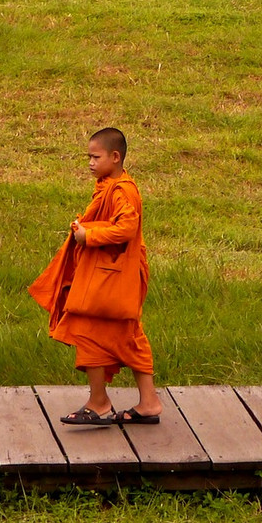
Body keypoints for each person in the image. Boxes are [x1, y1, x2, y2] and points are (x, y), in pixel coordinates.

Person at [29, 127, 163, 426]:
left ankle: (101, 403)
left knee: (93, 330)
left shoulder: (122, 190)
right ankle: (146, 402)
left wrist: (89, 235)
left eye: (95, 156)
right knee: (126, 335)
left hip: (113, 275)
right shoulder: (108, 185)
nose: (89, 162)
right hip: (108, 272)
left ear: (115, 157)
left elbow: (126, 229)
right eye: (87, 157)